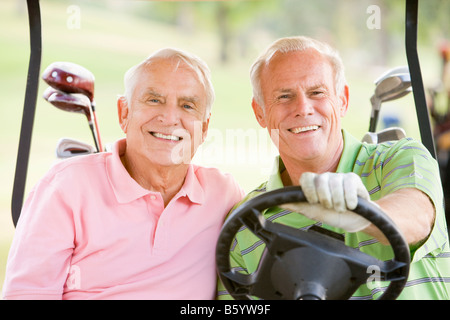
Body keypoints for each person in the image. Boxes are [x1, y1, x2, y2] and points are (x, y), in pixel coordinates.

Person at [217, 36, 450, 300]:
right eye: (284, 96)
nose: (303, 108)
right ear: (259, 112)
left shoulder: (401, 157)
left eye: (317, 92)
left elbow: (415, 217)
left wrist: (362, 215)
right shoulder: (245, 222)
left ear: (342, 100)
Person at [3, 48, 244, 300]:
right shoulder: (65, 188)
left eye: (187, 105)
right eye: (154, 100)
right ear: (124, 113)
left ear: (204, 128)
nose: (170, 118)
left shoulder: (224, 194)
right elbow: (26, 294)